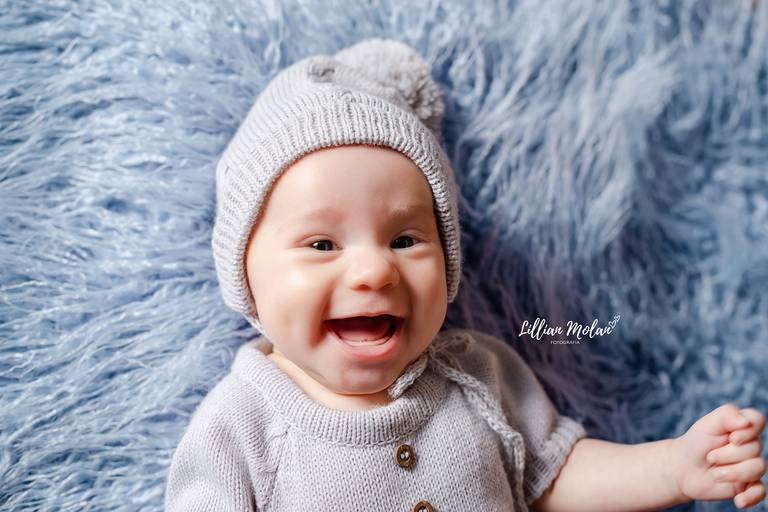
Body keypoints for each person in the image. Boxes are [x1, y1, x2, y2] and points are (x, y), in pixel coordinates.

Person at [165, 38, 766, 511]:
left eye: (405, 240)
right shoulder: (240, 425)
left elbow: (555, 475)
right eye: (322, 244)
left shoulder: (480, 373)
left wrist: (673, 467)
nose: (374, 269)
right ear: (245, 273)